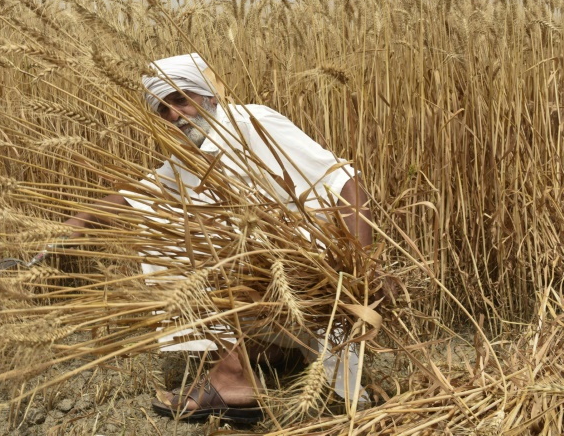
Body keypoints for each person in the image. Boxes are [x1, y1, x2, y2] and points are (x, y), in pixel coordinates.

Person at [61, 53, 375, 422]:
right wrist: (80, 220)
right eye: (164, 109)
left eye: (180, 99)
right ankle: (249, 362)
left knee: (188, 234)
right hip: (279, 299)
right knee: (167, 220)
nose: (175, 116)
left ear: (209, 96)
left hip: (324, 290)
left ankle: (238, 372)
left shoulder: (253, 123)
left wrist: (360, 269)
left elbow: (345, 182)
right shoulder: (190, 158)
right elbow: (139, 195)